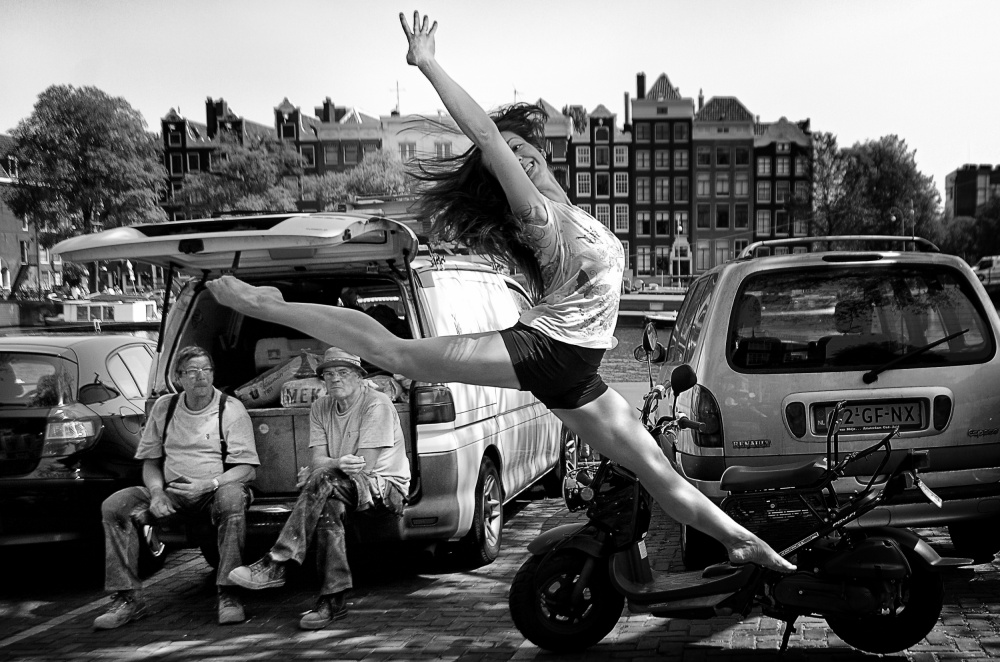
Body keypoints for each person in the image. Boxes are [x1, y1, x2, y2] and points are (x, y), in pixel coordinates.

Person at [205, 10, 794, 574]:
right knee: (396, 353)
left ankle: (744, 543)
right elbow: (485, 135)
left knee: (658, 471)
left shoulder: (575, 213)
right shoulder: (538, 215)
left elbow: (498, 142)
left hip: (579, 369)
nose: (515, 158)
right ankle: (265, 303)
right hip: (546, 349)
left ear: (541, 150)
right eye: (504, 158)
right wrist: (428, 64)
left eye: (521, 149)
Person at [226, 347, 410, 630]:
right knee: (327, 506)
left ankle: (276, 562)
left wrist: (322, 470)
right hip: (339, 486)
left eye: (343, 372)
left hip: (386, 488)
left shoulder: (377, 404)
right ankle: (332, 601)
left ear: (359, 377)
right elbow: (318, 460)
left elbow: (364, 465)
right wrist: (326, 468)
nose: (335, 379)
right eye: (329, 374)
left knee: (323, 481)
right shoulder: (320, 407)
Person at [94, 345, 260, 630]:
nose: (200, 376)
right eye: (192, 371)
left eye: (206, 370)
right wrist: (157, 493)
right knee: (115, 505)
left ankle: (229, 593)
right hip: (172, 493)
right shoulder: (165, 407)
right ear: (179, 377)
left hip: (215, 491)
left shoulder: (230, 408)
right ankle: (127, 600)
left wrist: (208, 484)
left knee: (232, 498)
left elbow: (247, 469)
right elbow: (151, 462)